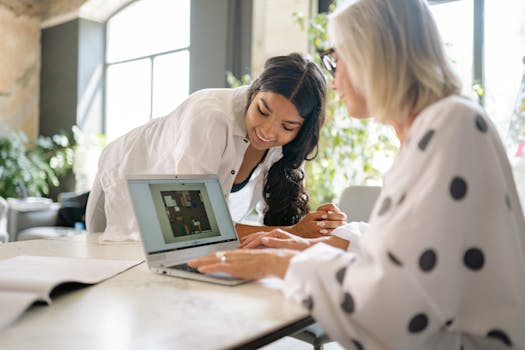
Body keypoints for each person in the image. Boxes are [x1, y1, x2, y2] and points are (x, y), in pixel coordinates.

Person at [189, 0, 525, 348]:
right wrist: (311, 246)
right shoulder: (446, 123)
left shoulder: (448, 127)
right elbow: (411, 262)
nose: (334, 82)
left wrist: (280, 263)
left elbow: (396, 310)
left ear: (373, 57)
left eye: (338, 61)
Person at [86, 53, 347, 242]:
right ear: (254, 91)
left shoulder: (289, 146)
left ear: (302, 129)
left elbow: (273, 219)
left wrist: (318, 226)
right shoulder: (208, 117)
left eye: (287, 126)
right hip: (122, 179)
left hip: (183, 222)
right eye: (262, 111)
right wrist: (294, 233)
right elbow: (195, 226)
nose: (268, 131)